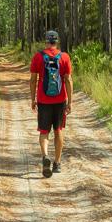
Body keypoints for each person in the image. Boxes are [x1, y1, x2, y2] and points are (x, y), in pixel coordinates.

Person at [30, 29, 73, 177]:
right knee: (58, 130)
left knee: (44, 132)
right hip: (60, 100)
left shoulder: (38, 57)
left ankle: (45, 156)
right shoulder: (65, 57)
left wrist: (32, 99)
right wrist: (70, 102)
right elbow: (68, 80)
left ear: (46, 41)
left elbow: (33, 79)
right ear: (57, 41)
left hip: (43, 100)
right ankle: (57, 163)